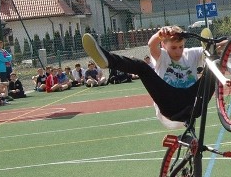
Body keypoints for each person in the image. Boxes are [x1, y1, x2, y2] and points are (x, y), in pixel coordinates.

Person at [83, 27, 211, 126]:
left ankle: (212, 48)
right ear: (164, 46)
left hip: (194, 103)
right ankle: (107, 60)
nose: (178, 51)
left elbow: (217, 48)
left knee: (213, 65)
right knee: (142, 66)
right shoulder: (162, 56)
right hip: (169, 103)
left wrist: (226, 43)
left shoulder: (191, 53)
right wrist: (159, 34)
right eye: (173, 48)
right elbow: (151, 45)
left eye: (181, 47)